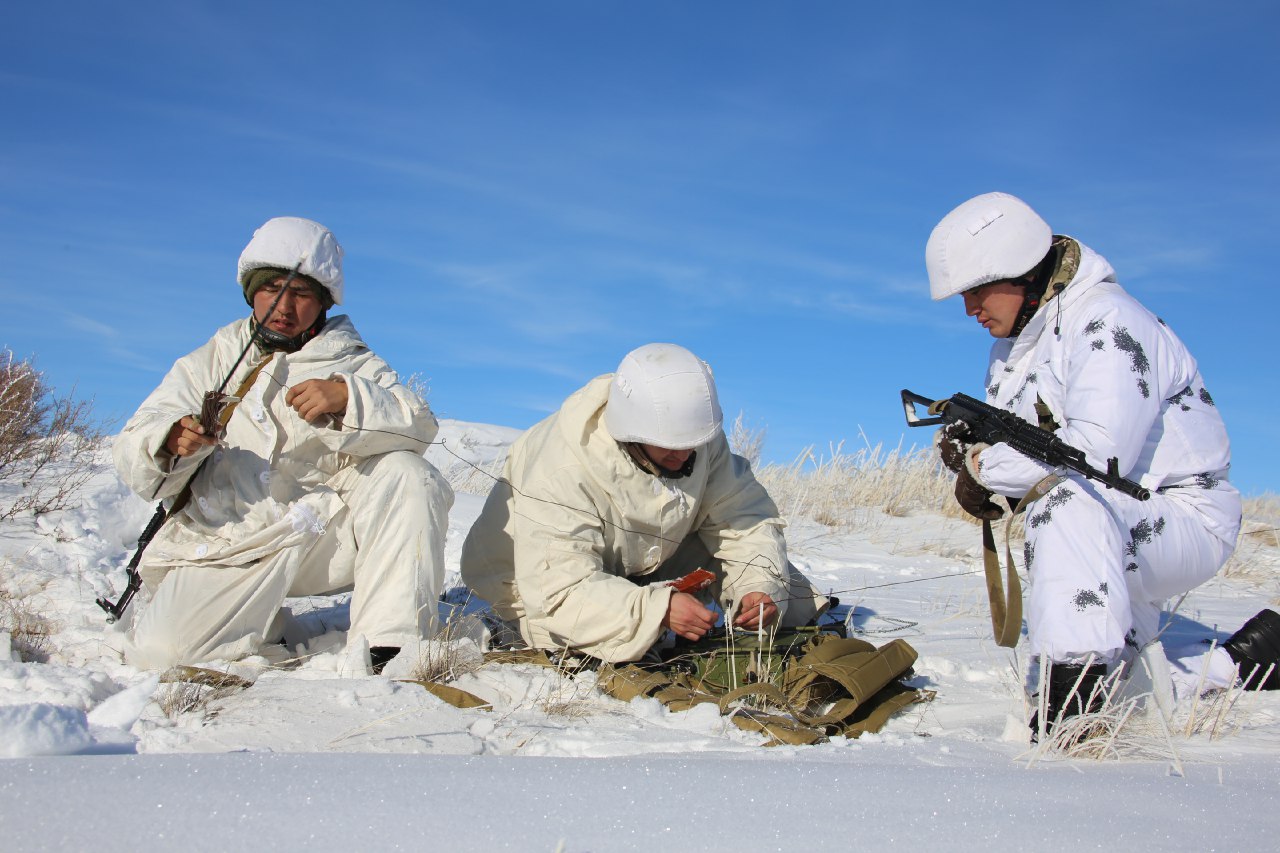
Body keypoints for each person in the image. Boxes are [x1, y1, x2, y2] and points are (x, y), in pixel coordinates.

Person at [924, 192, 1277, 734]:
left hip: (1178, 519)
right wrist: (975, 460)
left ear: (1020, 270)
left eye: (975, 290)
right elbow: (1026, 452)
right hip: (1109, 524)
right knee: (1132, 693)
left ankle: (1070, 723)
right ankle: (1243, 660)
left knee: (1066, 503)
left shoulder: (1108, 321)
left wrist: (983, 470)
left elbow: (1095, 454)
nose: (969, 308)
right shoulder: (1013, 351)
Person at [113, 216, 452, 674]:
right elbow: (137, 446)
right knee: (164, 654)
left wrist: (350, 398)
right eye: (272, 288)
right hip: (227, 542)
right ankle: (270, 629)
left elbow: (420, 425)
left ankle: (390, 647)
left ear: (324, 303)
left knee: (408, 473)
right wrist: (169, 440)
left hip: (319, 534)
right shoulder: (209, 360)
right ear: (251, 290)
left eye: (302, 293)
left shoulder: (354, 361)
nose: (284, 306)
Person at [460, 343, 829, 663]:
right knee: (581, 640)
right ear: (631, 431)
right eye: (669, 444)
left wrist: (759, 588)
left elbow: (745, 519)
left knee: (788, 598)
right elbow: (559, 591)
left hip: (642, 557)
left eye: (692, 444)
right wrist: (656, 610)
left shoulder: (698, 443)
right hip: (529, 582)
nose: (683, 454)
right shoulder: (561, 466)